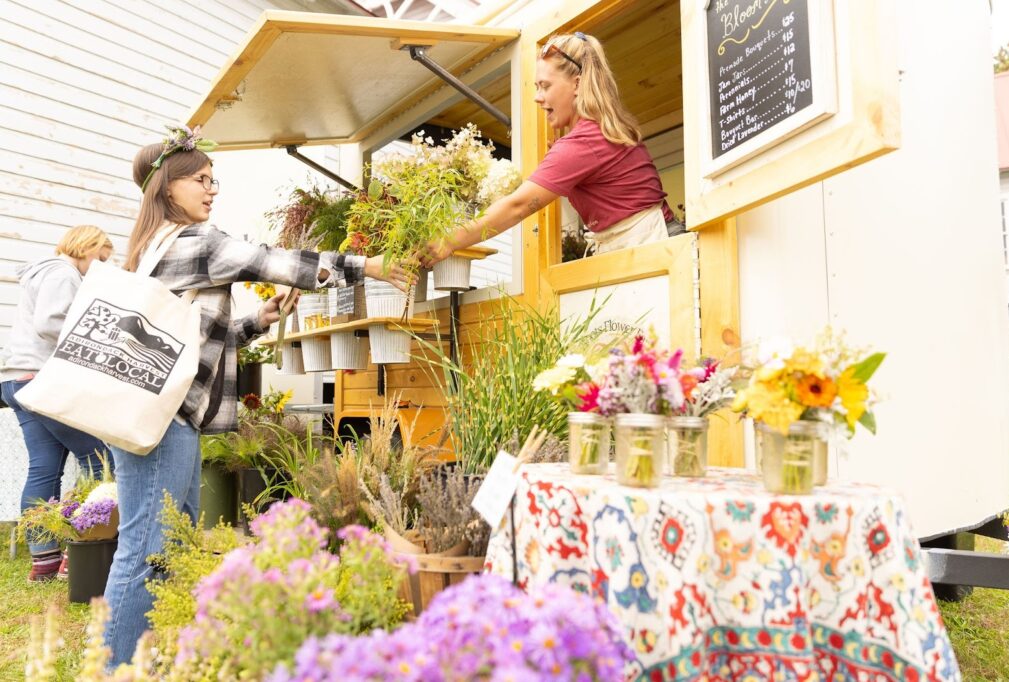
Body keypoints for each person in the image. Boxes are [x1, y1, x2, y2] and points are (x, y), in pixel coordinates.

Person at [102, 126, 412, 666]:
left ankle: (143, 661)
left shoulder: (149, 249)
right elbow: (276, 261)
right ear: (168, 187)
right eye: (201, 179)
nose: (212, 188)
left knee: (163, 548)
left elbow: (188, 334)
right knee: (149, 553)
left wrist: (254, 322)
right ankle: (116, 670)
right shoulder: (199, 242)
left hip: (152, 416)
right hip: (165, 422)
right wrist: (372, 266)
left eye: (213, 178)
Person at [423, 32, 681, 265]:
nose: (537, 96)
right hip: (651, 242)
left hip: (656, 245)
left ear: (577, 84)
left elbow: (517, 206)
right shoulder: (597, 132)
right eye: (536, 87)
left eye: (545, 86)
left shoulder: (584, 142)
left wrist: (448, 241)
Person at [0, 225, 114, 582]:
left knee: (44, 469)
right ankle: (79, 552)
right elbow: (51, 323)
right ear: (87, 247)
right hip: (43, 380)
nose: (99, 268)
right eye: (101, 259)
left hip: (17, 380)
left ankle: (45, 562)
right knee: (100, 461)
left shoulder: (43, 272)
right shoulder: (63, 272)